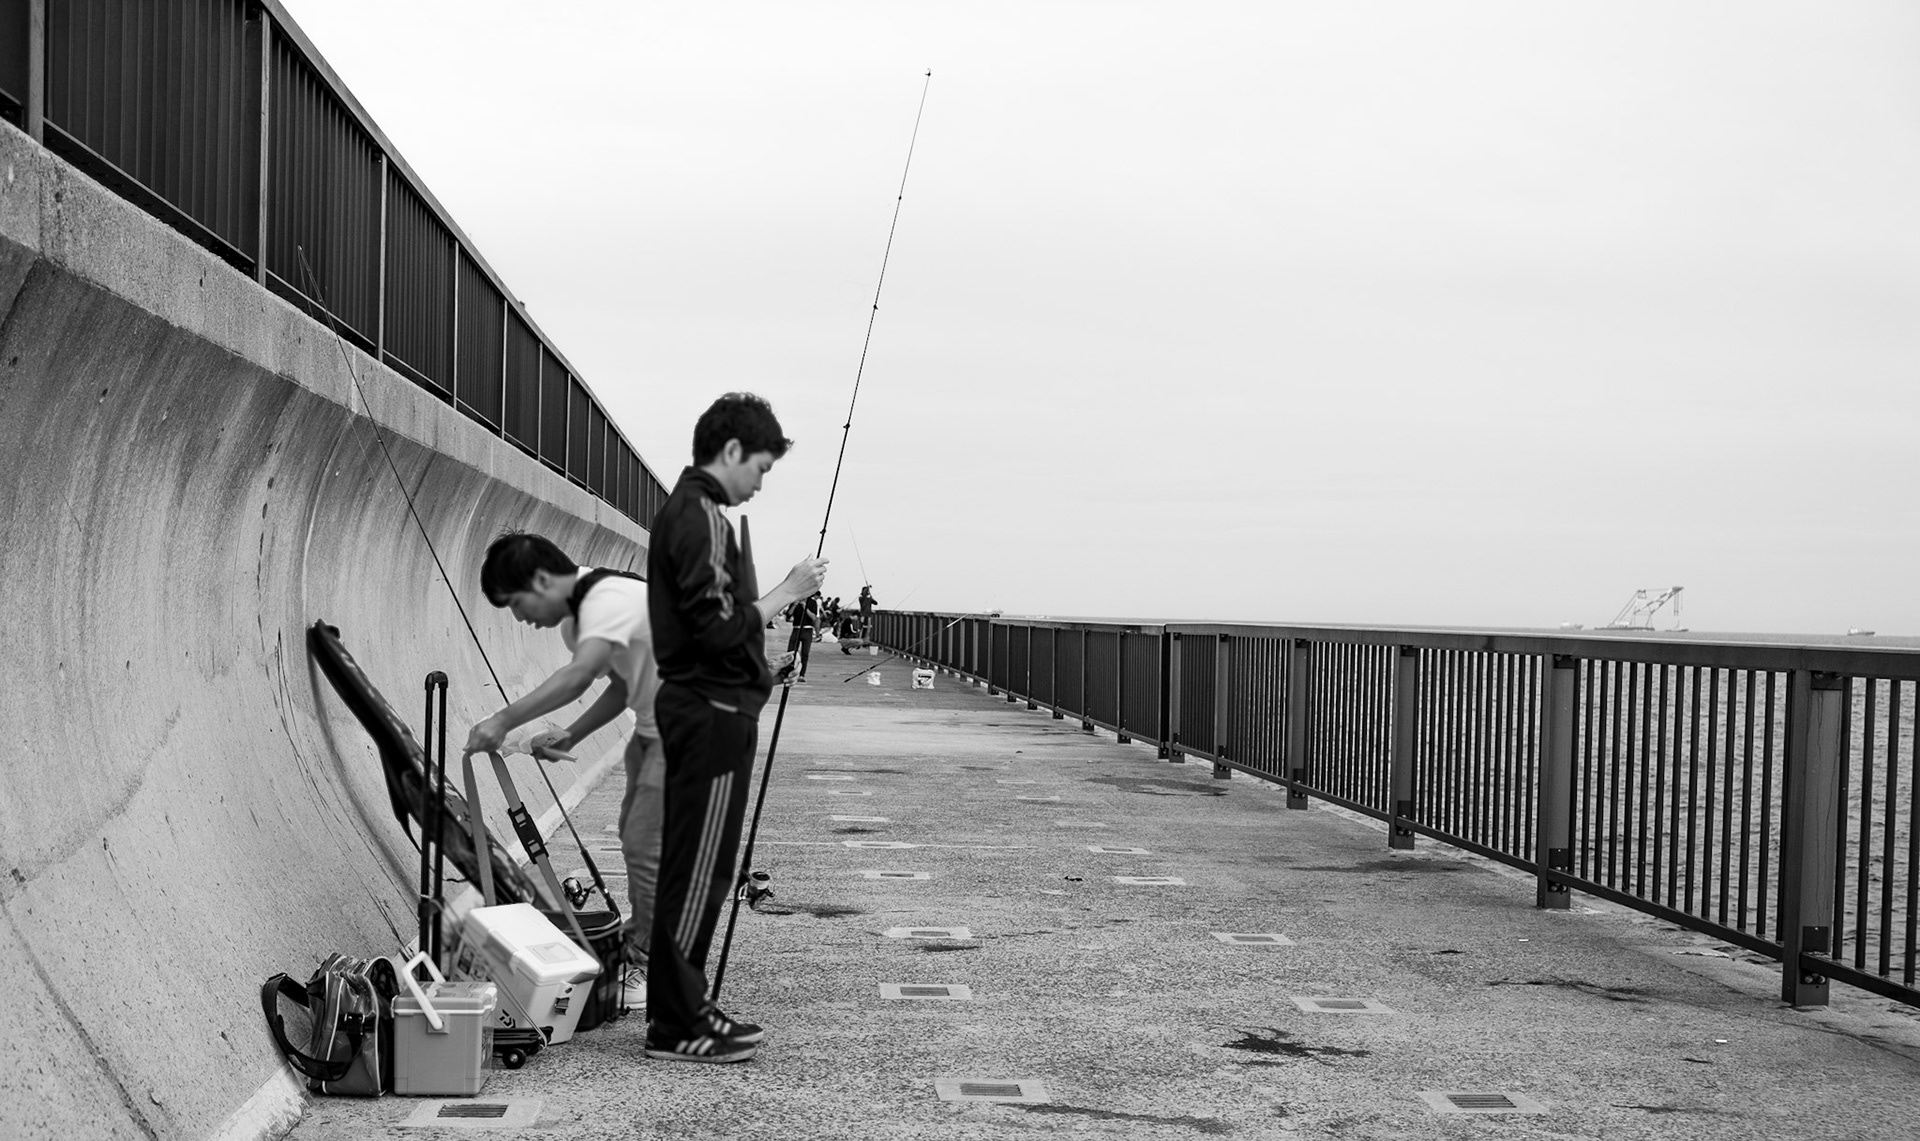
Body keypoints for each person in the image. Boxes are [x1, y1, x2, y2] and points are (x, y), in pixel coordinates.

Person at [646, 392, 827, 1063]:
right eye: (760, 467)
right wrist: (788, 590)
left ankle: (683, 1008)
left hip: (711, 707)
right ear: (730, 451)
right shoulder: (697, 519)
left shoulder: (694, 514)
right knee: (702, 867)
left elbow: (709, 633)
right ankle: (678, 1022)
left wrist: (759, 671)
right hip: (710, 718)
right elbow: (715, 628)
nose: (760, 482)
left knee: (700, 863)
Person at [463, 533, 662, 1013]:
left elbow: (578, 677)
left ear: (541, 579)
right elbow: (622, 685)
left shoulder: (604, 599)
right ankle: (644, 947)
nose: (520, 619)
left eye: (516, 604)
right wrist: (571, 736)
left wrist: (502, 721)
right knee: (638, 839)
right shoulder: (579, 618)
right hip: (656, 727)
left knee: (649, 847)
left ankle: (649, 962)